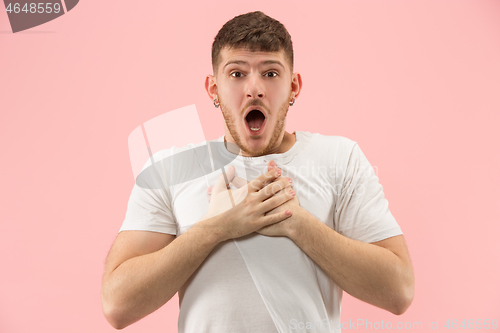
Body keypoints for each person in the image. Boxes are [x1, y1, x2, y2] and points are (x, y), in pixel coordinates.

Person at [101, 11, 414, 332]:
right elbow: (117, 305)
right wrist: (215, 228)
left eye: (270, 73)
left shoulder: (340, 158)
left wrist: (298, 224)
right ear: (213, 89)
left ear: (294, 86)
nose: (254, 89)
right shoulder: (169, 169)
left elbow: (398, 291)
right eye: (236, 74)